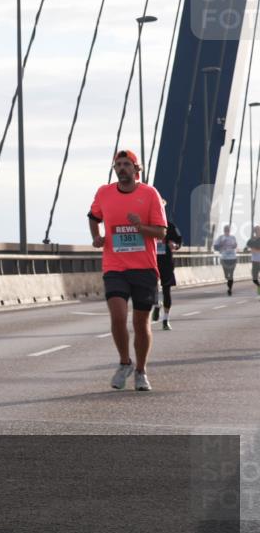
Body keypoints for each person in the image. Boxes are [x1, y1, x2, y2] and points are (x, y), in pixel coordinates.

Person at [88, 150, 167, 392]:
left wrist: (140, 227)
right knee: (118, 316)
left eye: (126, 164)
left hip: (144, 268)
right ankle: (125, 363)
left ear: (136, 169)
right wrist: (96, 237)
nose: (122, 168)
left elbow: (161, 232)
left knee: (141, 323)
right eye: (118, 165)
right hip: (115, 266)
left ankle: (141, 371)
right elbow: (93, 216)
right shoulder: (104, 192)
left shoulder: (150, 194)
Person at [151, 201, 182, 331]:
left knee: (166, 290)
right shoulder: (148, 225)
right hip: (151, 261)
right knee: (151, 288)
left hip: (166, 263)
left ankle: (165, 320)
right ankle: (156, 304)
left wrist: (175, 245)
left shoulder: (170, 226)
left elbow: (179, 241)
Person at [213, 225, 239, 296]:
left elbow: (235, 246)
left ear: (229, 230)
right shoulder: (221, 237)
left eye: (228, 230)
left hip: (232, 258)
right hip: (224, 258)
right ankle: (228, 282)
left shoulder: (233, 237)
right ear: (224, 230)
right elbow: (215, 247)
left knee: (231, 275)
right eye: (226, 230)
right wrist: (221, 245)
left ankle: (230, 289)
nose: (227, 231)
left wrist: (235, 245)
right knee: (226, 275)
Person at [248, 225, 260, 296]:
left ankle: (259, 292)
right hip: (255, 261)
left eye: (258, 230)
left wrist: (256, 250)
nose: (257, 232)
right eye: (256, 231)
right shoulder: (252, 239)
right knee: (254, 279)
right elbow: (249, 247)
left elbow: (254, 249)